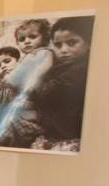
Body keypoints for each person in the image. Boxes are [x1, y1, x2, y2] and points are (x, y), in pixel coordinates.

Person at [0, 19, 54, 147]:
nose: (26, 41)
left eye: (32, 37)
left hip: (29, 96)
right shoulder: (27, 57)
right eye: (22, 39)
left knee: (13, 122)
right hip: (16, 95)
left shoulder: (44, 53)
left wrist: (27, 83)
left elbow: (42, 70)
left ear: (45, 37)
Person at [29, 16, 93, 152]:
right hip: (55, 128)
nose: (63, 50)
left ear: (88, 43)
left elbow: (46, 93)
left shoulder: (81, 68)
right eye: (58, 45)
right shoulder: (62, 66)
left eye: (72, 43)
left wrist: (40, 75)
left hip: (68, 133)